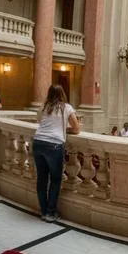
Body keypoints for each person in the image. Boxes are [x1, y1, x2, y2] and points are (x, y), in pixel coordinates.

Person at [32, 85, 79, 222]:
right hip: (54, 145)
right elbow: (76, 129)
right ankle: (51, 213)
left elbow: (40, 122)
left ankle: (43, 211)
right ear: (62, 94)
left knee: (42, 179)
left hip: (38, 142)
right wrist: (64, 129)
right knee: (56, 179)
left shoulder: (43, 107)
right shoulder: (66, 108)